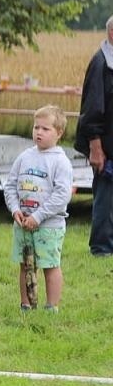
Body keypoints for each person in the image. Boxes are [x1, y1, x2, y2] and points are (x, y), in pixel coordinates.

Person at [6, 105, 75, 311]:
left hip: (49, 226)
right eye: (36, 127)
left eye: (45, 129)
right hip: (23, 224)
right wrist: (15, 209)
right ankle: (26, 304)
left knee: (49, 265)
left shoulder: (61, 162)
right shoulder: (24, 157)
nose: (39, 132)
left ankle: (51, 307)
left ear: (59, 133)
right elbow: (10, 186)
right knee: (25, 265)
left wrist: (38, 216)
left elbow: (62, 195)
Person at [75, 13, 113, 257]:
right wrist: (95, 147)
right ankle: (101, 247)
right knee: (105, 196)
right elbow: (91, 110)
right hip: (104, 144)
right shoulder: (101, 62)